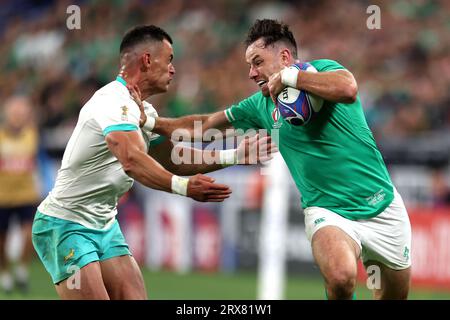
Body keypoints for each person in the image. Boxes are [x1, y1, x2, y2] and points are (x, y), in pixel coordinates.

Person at [147, 19, 412, 300]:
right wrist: (154, 123)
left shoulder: (324, 70)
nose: (251, 73)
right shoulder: (259, 106)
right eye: (249, 65)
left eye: (257, 62)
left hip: (383, 207)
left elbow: (348, 89)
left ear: (284, 57)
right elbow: (204, 124)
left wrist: (291, 78)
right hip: (328, 211)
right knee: (340, 277)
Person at [32, 25, 274, 300]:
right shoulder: (111, 102)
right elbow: (132, 160)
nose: (173, 69)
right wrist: (184, 188)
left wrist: (233, 156)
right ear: (147, 60)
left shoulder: (143, 111)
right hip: (64, 223)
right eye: (169, 59)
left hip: (104, 224)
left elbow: (175, 158)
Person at [0, 96, 40, 294]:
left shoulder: (32, 135)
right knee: (2, 240)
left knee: (28, 234)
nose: (17, 118)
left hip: (26, 195)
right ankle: (5, 273)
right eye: (14, 114)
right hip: (3, 196)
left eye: (21, 114)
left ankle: (22, 269)